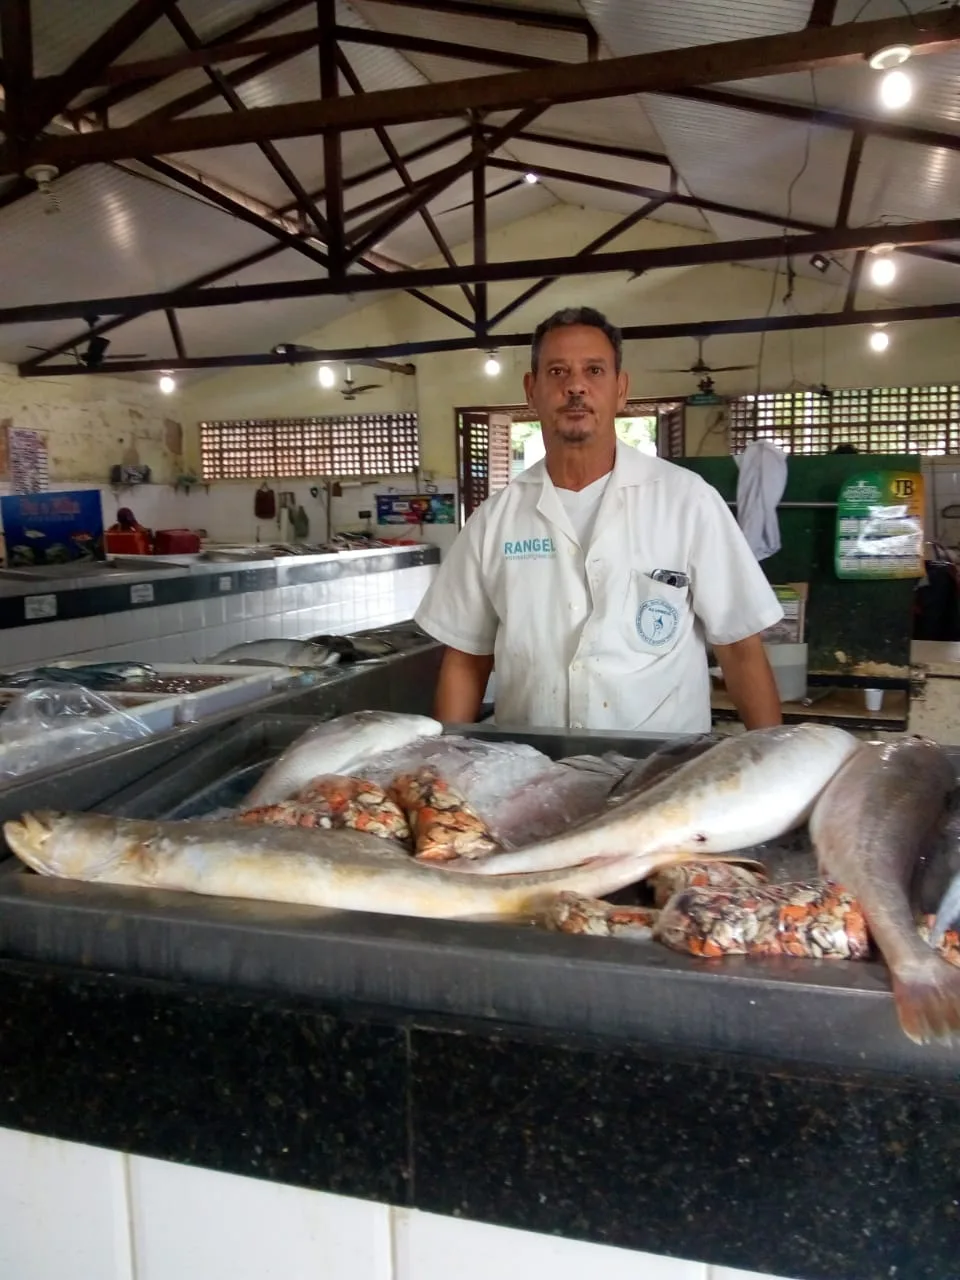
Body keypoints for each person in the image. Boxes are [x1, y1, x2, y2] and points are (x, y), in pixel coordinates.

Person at [415, 306, 784, 733]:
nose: (575, 386)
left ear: (620, 389)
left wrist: (773, 759)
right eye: (557, 372)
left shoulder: (687, 501)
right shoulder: (495, 520)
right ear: (531, 390)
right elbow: (466, 658)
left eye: (594, 370)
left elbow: (740, 649)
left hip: (663, 775)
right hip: (533, 775)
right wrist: (444, 763)